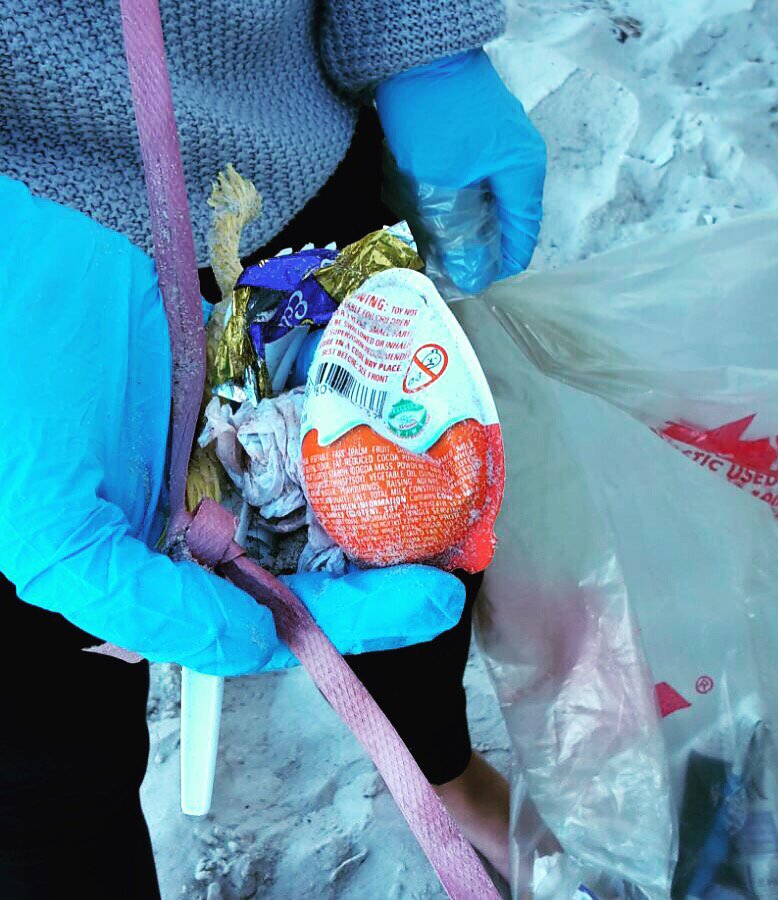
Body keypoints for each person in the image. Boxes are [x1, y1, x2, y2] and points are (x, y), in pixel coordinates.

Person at [0, 2, 546, 897]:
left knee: (402, 530)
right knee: (34, 765)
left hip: (266, 168)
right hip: (23, 334)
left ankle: (442, 770)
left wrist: (421, 42)